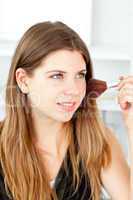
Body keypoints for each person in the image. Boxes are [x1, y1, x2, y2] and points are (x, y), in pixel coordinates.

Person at [0, 21, 131, 200]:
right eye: (57, 76)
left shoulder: (99, 141)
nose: (75, 90)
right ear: (23, 81)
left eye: (80, 75)